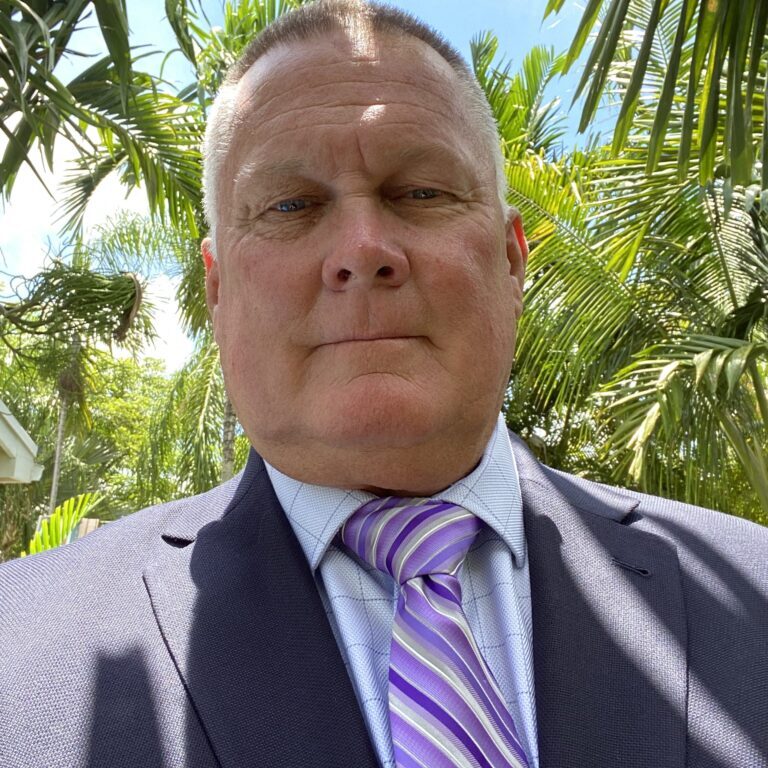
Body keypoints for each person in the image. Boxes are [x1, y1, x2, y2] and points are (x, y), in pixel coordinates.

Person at [1, 2, 766, 767]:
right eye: (291, 205)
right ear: (217, 290)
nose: (362, 250)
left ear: (511, 261)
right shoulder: (19, 644)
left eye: (422, 192)